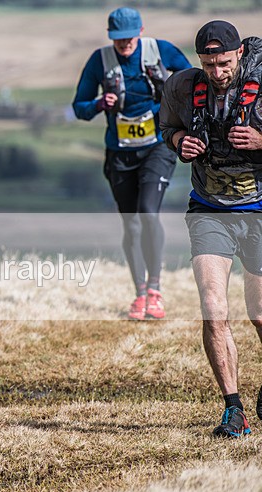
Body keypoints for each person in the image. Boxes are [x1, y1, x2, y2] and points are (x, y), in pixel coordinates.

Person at [160, 20, 262, 437]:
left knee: (259, 315)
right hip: (209, 209)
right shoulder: (182, 86)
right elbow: (166, 128)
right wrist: (178, 141)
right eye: (208, 64)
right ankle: (233, 410)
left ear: (238, 54)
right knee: (213, 308)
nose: (216, 73)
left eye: (223, 63)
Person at [73, 7, 191, 320]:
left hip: (157, 146)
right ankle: (140, 294)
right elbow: (79, 107)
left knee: (148, 213)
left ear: (140, 32)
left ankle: (155, 289)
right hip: (120, 152)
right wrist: (100, 103)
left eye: (128, 37)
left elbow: (193, 83)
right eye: (117, 38)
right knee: (132, 223)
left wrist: (167, 97)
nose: (123, 43)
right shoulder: (99, 61)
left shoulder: (161, 51)